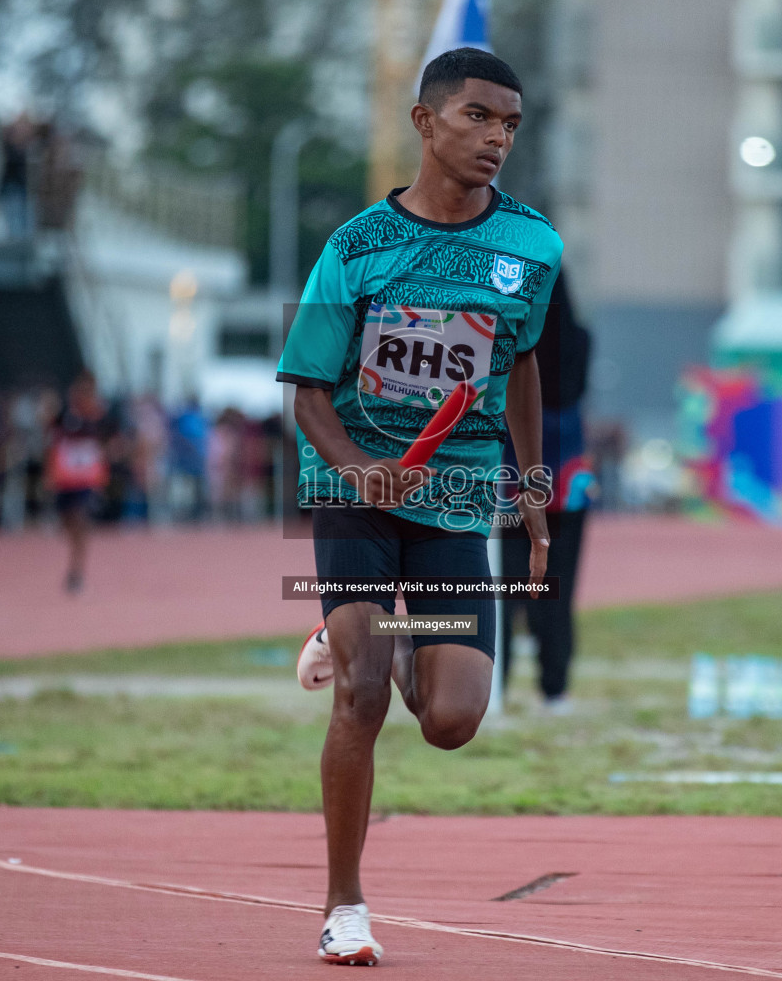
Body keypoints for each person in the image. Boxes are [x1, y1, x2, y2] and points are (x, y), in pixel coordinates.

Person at [275, 48, 561, 965]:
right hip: (355, 493)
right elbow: (308, 392)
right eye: (478, 117)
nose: (496, 138)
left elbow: (520, 367)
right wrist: (359, 467)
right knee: (358, 699)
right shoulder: (354, 248)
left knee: (450, 721)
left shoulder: (533, 248)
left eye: (510, 124)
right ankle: (344, 906)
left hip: (459, 497)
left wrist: (530, 491)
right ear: (424, 122)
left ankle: (381, 637)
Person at [499, 271, 596, 712]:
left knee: (495, 586)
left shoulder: (505, 333)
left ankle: (492, 685)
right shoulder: (579, 340)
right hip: (563, 477)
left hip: (509, 474)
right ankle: (554, 689)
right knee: (556, 588)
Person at [46, 369, 115, 593]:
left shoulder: (101, 415)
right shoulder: (65, 413)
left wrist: (104, 458)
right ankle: (75, 563)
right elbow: (51, 436)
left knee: (79, 521)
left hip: (86, 480)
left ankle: (76, 571)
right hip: (66, 479)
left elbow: (114, 440)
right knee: (67, 521)